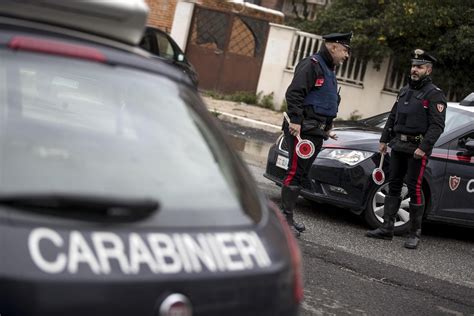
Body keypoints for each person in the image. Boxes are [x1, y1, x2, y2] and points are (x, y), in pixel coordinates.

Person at [366, 49, 446, 249]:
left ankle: (414, 234)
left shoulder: (434, 94)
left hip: (416, 149)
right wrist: (384, 139)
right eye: (413, 66)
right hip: (398, 145)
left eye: (419, 67)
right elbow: (393, 117)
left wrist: (423, 147)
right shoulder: (404, 91)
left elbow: (437, 126)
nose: (414, 70)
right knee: (393, 185)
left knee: (414, 188)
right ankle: (387, 229)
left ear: (428, 69)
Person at [281, 32, 352, 236]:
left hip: (316, 131)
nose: (346, 55)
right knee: (294, 172)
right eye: (345, 50)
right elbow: (294, 93)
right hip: (303, 129)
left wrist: (328, 128)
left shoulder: (329, 69)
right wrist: (295, 120)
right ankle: (284, 221)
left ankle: (288, 217)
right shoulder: (312, 64)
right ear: (334, 47)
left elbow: (328, 102)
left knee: (301, 174)